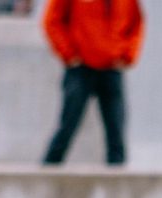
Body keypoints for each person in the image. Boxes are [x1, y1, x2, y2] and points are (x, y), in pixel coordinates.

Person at [41, 0, 145, 166]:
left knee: (116, 132)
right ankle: (46, 176)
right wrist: (69, 54)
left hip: (112, 67)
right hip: (80, 68)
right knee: (67, 127)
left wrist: (127, 55)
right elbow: (52, 21)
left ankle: (117, 185)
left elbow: (136, 23)